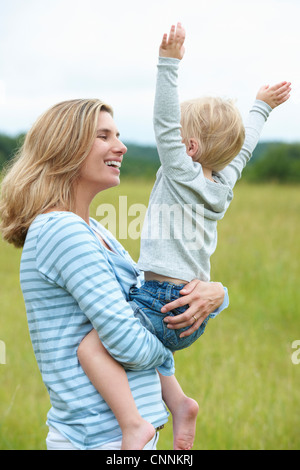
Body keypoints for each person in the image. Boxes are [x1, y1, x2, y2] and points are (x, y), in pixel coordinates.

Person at [76, 23, 291, 450]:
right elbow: (243, 148)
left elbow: (162, 120)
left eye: (176, 134)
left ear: (187, 147)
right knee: (152, 345)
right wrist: (261, 108)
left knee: (90, 349)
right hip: (193, 311)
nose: (168, 136)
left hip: (163, 301)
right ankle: (179, 402)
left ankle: (133, 424)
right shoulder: (222, 184)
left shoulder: (180, 173)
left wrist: (168, 62)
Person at [0, 97, 226, 449]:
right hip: (97, 440)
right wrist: (168, 346)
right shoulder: (61, 230)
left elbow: (150, 301)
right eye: (103, 136)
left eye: (117, 135)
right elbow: (128, 342)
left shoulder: (95, 231)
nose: (120, 146)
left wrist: (217, 295)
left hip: (126, 436)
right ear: (66, 147)